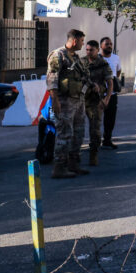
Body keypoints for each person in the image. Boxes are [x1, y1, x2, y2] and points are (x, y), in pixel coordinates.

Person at [47, 29, 91, 179]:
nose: (83, 43)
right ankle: (59, 167)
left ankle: (73, 164)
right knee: (65, 133)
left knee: (78, 133)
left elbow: (82, 76)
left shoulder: (76, 57)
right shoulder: (58, 55)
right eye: (81, 41)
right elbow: (52, 79)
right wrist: (55, 100)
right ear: (74, 41)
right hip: (64, 101)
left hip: (78, 100)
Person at [81, 40, 113, 167]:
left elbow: (110, 83)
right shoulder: (81, 62)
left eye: (91, 50)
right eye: (87, 49)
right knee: (76, 128)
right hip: (81, 99)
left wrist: (107, 99)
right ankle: (73, 156)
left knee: (95, 129)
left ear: (97, 50)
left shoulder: (103, 64)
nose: (88, 52)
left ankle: (93, 154)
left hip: (95, 100)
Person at [99, 37, 122, 149]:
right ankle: (95, 141)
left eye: (110, 44)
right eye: (107, 44)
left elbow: (118, 71)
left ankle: (107, 139)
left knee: (110, 118)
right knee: (96, 118)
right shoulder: (96, 58)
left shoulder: (116, 58)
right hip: (98, 94)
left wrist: (112, 84)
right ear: (101, 46)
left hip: (111, 94)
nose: (109, 46)